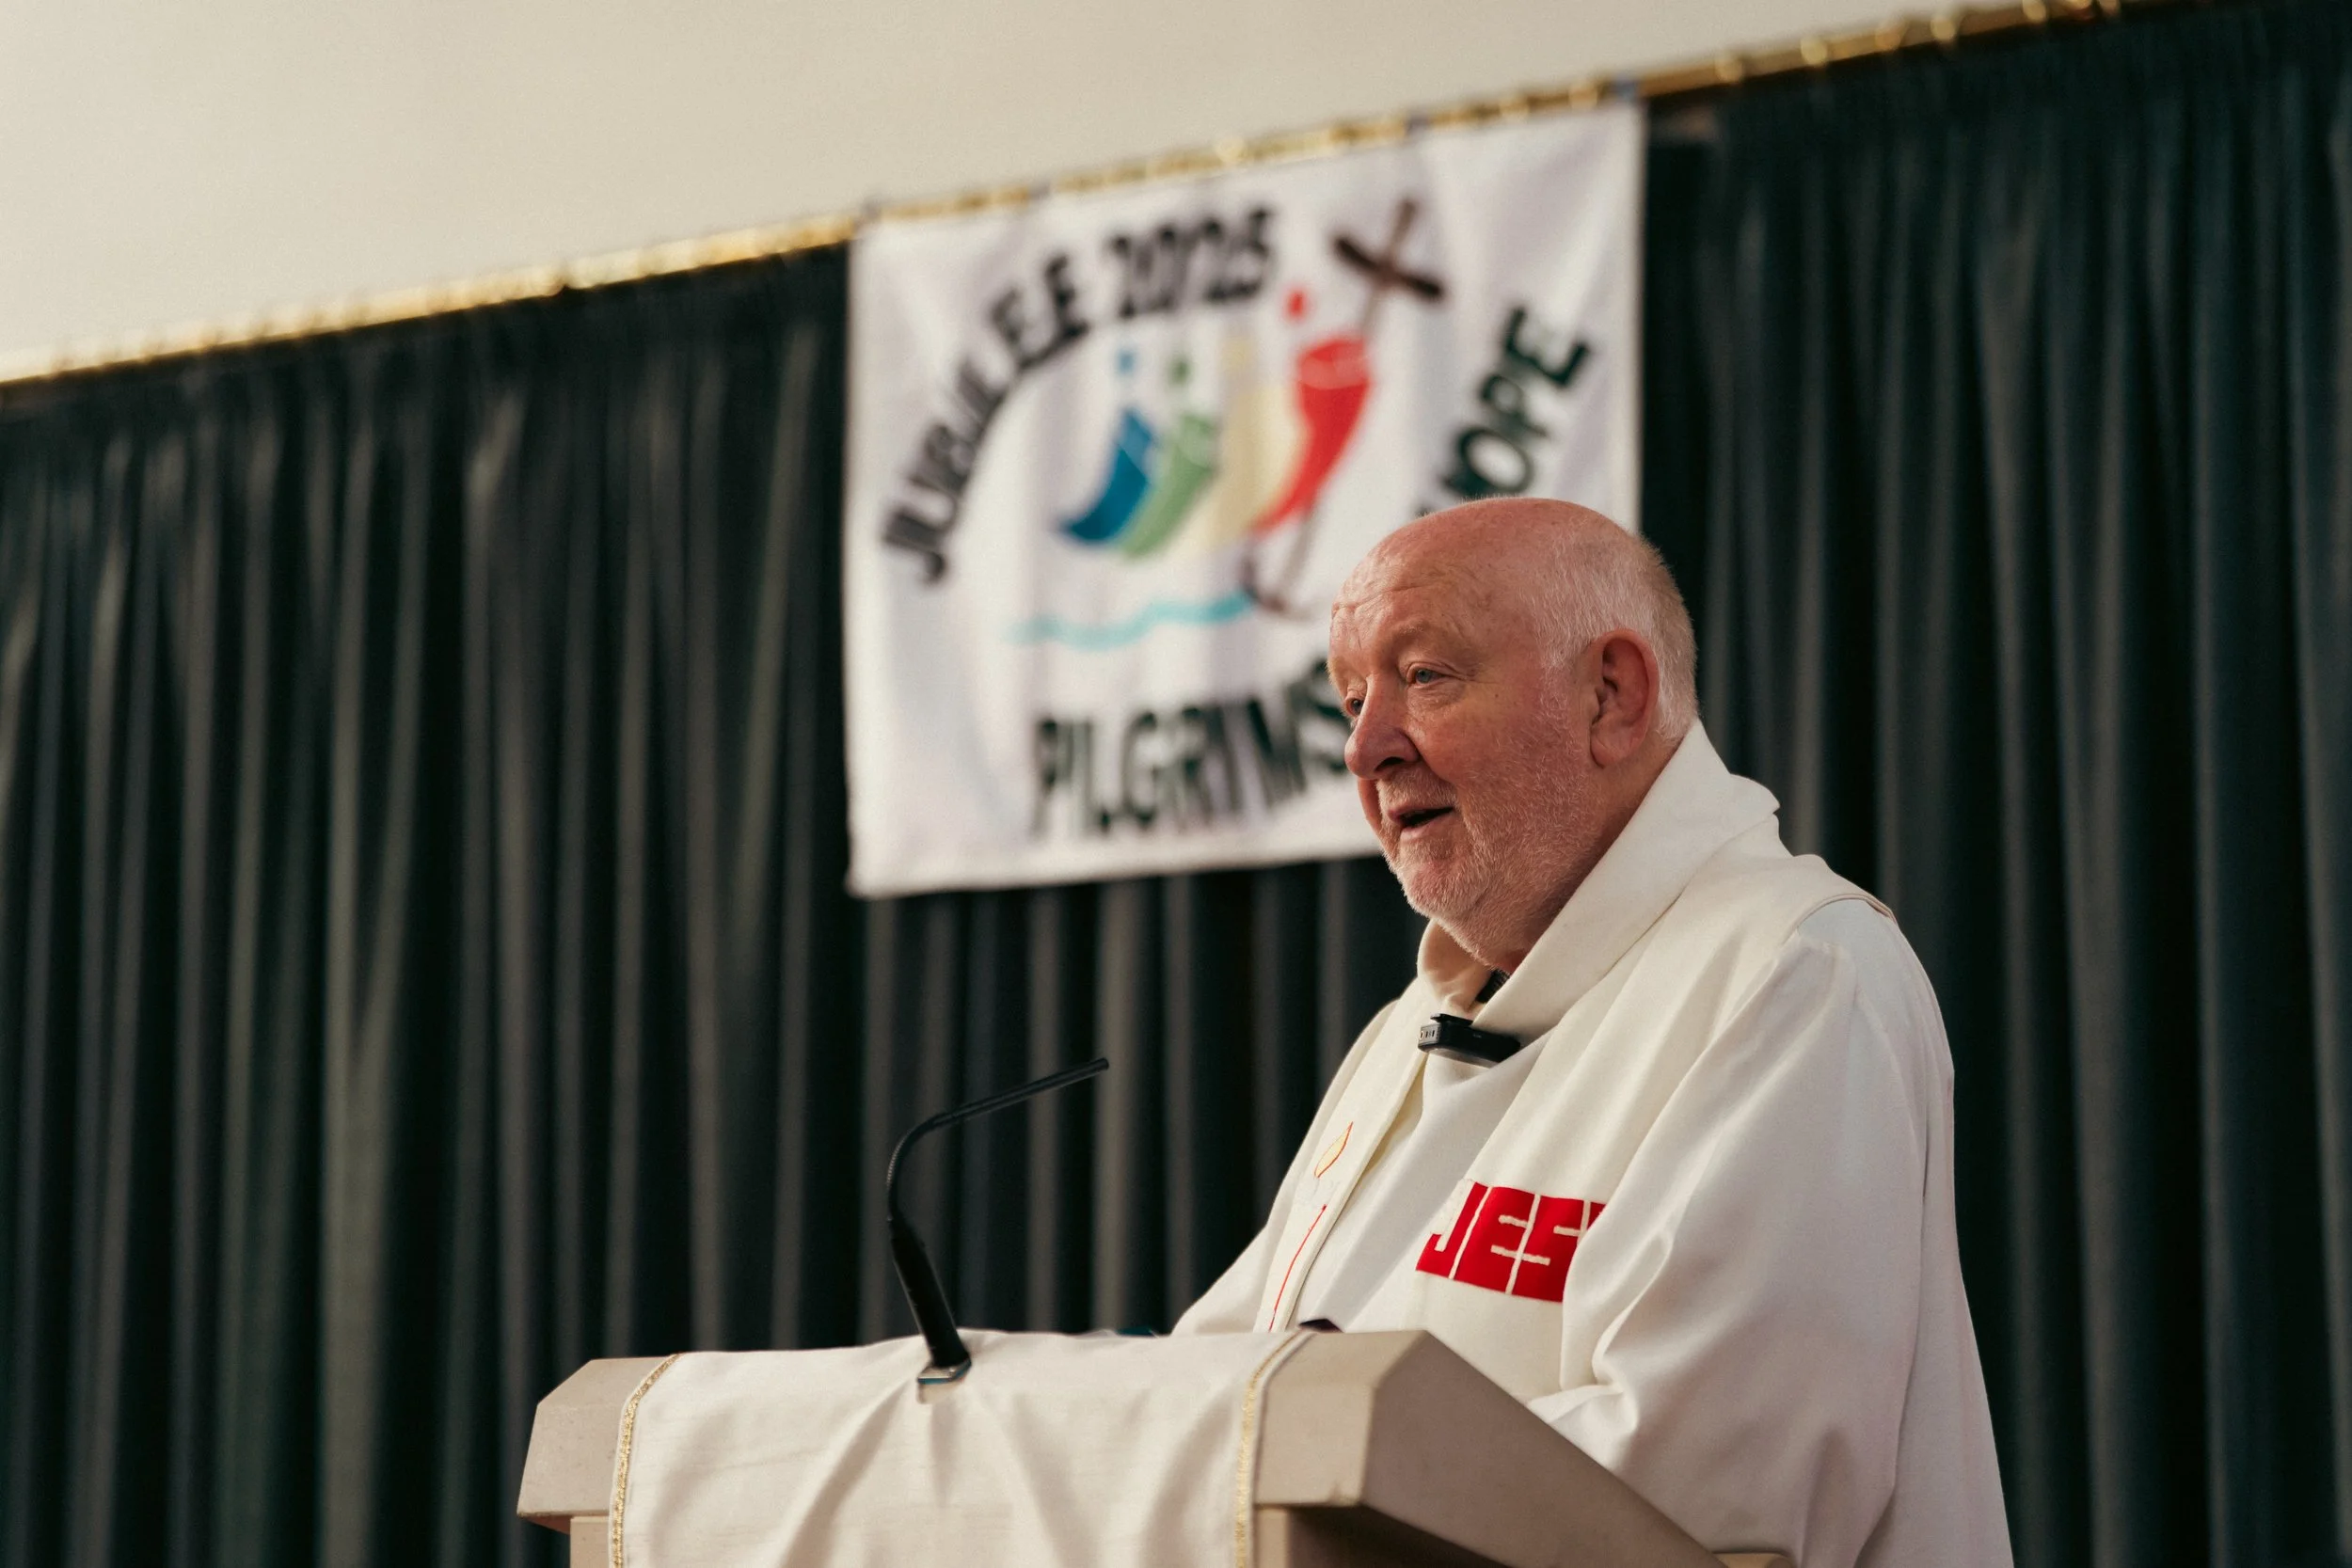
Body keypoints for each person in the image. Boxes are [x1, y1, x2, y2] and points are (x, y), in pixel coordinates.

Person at [1173, 499, 2011, 1567]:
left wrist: (1308, 1477)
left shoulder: (1793, 971)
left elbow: (1707, 1496)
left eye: (1423, 677)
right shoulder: (1411, 1029)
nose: (1365, 747)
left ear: (1611, 695)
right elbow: (1217, 1386)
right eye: (1349, 698)